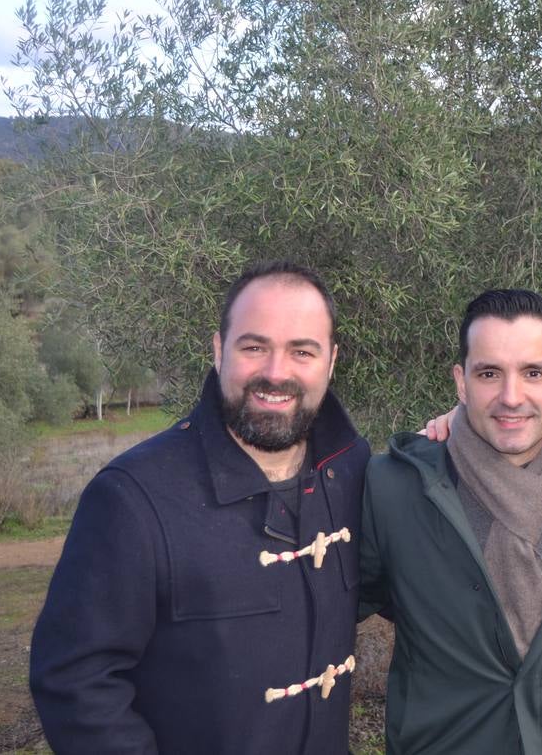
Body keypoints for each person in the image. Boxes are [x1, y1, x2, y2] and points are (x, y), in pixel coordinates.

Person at [30, 262, 372, 754]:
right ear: (218, 350)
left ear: (332, 361)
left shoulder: (353, 469)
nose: (276, 373)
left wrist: (456, 430)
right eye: (254, 347)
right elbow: (76, 681)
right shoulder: (133, 496)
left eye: (302, 351)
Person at [359, 289, 542, 755]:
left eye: (533, 372)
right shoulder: (393, 489)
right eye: (489, 373)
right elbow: (324, 618)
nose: (511, 397)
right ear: (461, 381)